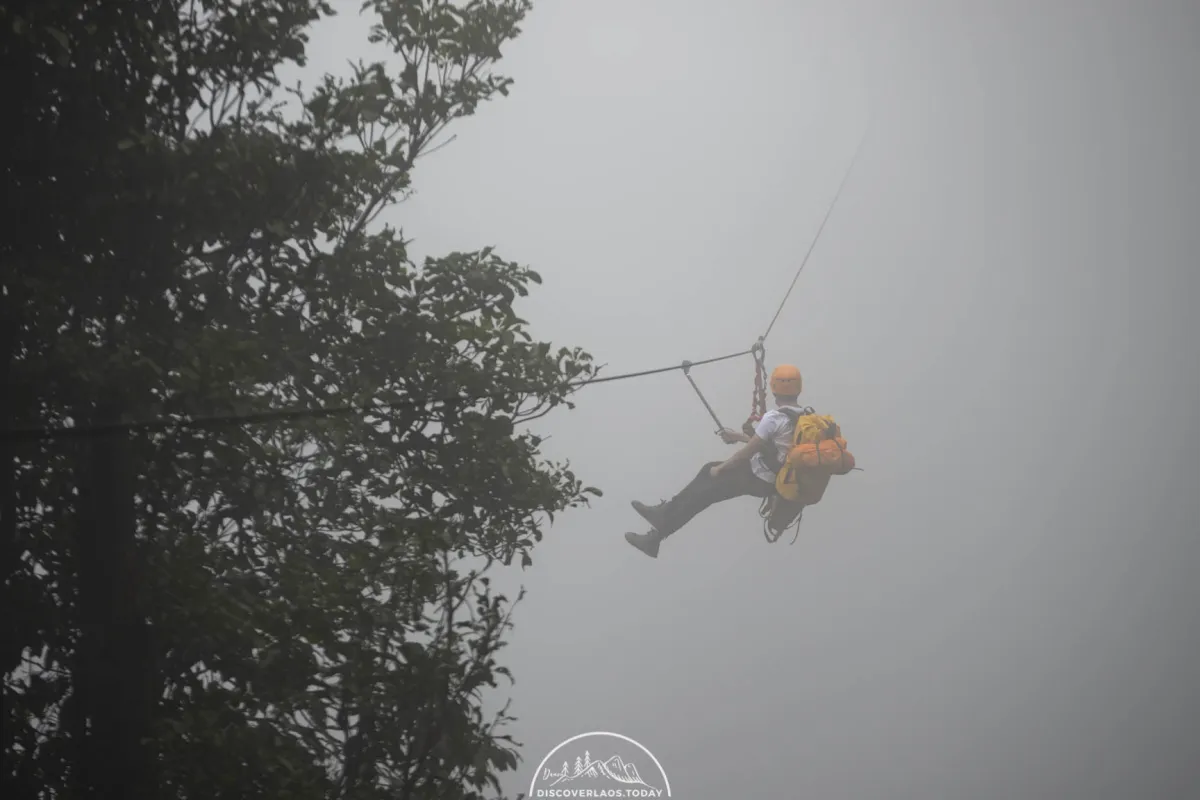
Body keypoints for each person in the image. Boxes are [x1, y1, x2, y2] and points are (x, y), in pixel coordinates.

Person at [624, 364, 809, 558]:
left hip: (759, 478)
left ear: (773, 387)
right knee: (706, 475)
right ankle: (662, 517)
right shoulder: (803, 416)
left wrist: (720, 469)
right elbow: (775, 445)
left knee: (704, 490)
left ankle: (656, 535)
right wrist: (736, 436)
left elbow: (746, 453)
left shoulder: (774, 417)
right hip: (773, 478)